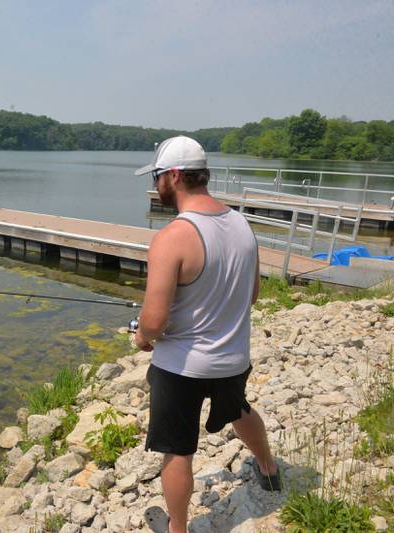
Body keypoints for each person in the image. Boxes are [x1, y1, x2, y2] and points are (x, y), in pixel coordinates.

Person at [132, 136, 280, 533]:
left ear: (175, 176)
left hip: (180, 366)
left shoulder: (171, 238)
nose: (156, 185)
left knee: (177, 449)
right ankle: (268, 467)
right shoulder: (241, 224)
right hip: (232, 358)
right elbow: (252, 294)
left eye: (158, 177)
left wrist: (143, 337)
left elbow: (154, 321)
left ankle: (177, 529)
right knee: (240, 410)